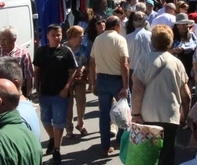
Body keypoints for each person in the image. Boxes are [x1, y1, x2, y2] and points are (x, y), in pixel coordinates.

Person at [129, 25, 190, 165]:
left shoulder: (144, 60)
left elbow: (138, 89)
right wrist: (185, 113)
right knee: (167, 153)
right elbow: (185, 94)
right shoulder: (177, 62)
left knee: (145, 152)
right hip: (170, 115)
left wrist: (136, 113)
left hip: (148, 114)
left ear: (153, 41)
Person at [33, 25, 78, 165]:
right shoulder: (41, 52)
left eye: (58, 34)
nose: (56, 37)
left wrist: (67, 87)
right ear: (47, 36)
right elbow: (37, 71)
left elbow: (73, 71)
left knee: (59, 122)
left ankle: (57, 150)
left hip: (61, 94)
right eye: (53, 35)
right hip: (45, 92)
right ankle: (52, 138)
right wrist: (37, 88)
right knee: (46, 120)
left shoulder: (66, 51)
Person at [89, 15, 130, 157]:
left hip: (102, 79)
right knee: (123, 113)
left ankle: (105, 146)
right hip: (117, 80)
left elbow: (92, 62)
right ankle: (119, 141)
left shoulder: (98, 39)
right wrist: (126, 85)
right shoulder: (120, 40)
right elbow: (124, 64)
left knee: (104, 115)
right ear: (118, 26)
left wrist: (93, 82)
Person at [0, 26, 35, 96]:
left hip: (17, 91)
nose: (2, 42)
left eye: (4, 39)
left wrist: (28, 95)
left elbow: (28, 76)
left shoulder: (23, 54)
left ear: (14, 39)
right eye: (0, 39)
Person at [63, 25, 90, 139]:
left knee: (81, 102)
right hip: (67, 80)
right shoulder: (63, 48)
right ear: (73, 36)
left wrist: (84, 68)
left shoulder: (84, 48)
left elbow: (88, 62)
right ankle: (69, 129)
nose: (82, 39)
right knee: (68, 105)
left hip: (80, 79)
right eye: (80, 36)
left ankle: (80, 124)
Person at [125, 12, 152, 90]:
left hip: (133, 70)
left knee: (134, 93)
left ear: (133, 23)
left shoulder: (128, 38)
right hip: (148, 68)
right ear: (145, 23)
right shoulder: (151, 36)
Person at [170, 13, 197, 80]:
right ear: (177, 25)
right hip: (176, 62)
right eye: (182, 24)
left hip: (189, 63)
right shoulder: (171, 36)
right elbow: (165, 51)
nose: (185, 26)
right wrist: (174, 50)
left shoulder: (191, 35)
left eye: (186, 24)